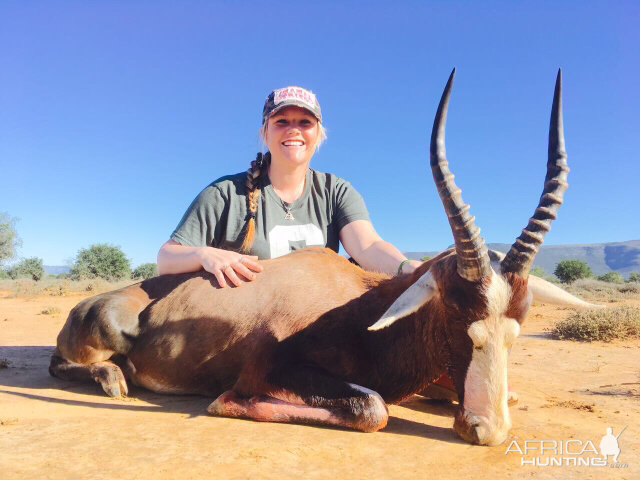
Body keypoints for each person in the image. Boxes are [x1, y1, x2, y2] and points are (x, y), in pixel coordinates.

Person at [157, 86, 421, 283]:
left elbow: (367, 247)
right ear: (265, 133)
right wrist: (204, 254)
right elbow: (166, 259)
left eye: (305, 122)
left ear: (319, 134)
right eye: (281, 121)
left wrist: (409, 268)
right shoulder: (225, 193)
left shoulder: (336, 191)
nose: (293, 130)